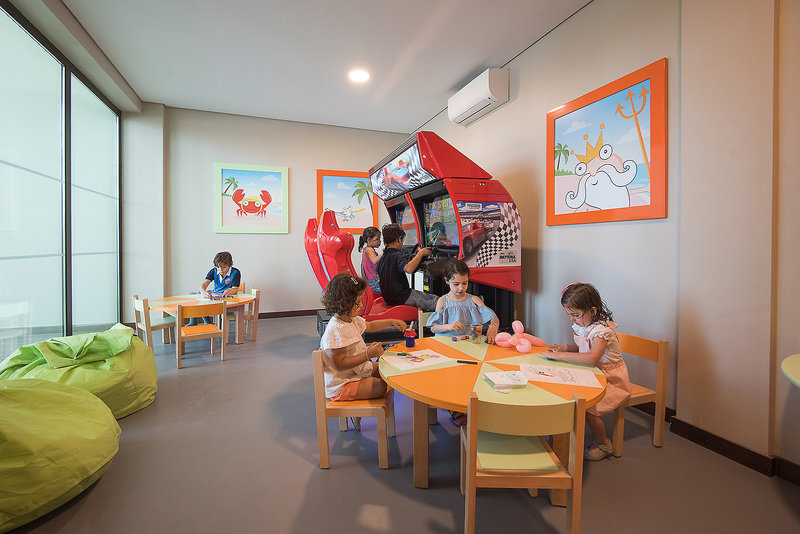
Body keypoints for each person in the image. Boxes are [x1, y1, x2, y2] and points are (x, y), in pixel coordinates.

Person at [546, 282, 631, 461]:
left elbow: (592, 357)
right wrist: (565, 349)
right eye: (569, 315)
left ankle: (604, 443)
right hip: (593, 373)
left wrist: (561, 356)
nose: (572, 320)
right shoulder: (584, 325)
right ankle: (563, 433)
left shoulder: (601, 331)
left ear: (592, 311)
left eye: (575, 315)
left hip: (611, 378)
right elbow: (584, 348)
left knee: (588, 408)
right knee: (563, 389)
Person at [319, 273, 406, 401]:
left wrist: (391, 321)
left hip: (356, 370)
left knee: (388, 369)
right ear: (344, 303)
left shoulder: (350, 319)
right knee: (382, 386)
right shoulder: (335, 330)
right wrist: (367, 354)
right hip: (341, 384)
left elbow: (370, 325)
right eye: (358, 302)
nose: (361, 306)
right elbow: (339, 364)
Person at [426, 259, 499, 343]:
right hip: (445, 344)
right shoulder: (442, 301)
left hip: (468, 345)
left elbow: (494, 319)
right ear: (447, 280)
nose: (461, 288)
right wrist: (449, 326)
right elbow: (433, 328)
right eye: (456, 284)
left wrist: (493, 327)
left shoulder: (474, 300)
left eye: (465, 283)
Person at [375, 223, 438, 311]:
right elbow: (409, 269)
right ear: (398, 239)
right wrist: (421, 253)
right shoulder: (397, 255)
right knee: (435, 301)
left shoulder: (383, 258)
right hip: (402, 296)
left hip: (389, 298)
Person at [189, 251, 241, 326]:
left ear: (230, 265)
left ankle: (207, 321)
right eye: (218, 267)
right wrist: (203, 292)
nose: (220, 269)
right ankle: (193, 321)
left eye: (223, 267)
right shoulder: (214, 271)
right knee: (192, 295)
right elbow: (204, 284)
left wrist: (230, 290)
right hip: (215, 293)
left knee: (205, 302)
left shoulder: (235, 272)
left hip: (225, 296)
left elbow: (235, 289)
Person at [358, 226, 382, 296]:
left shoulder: (367, 249)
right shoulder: (369, 250)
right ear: (369, 240)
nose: (380, 241)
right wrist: (386, 252)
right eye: (377, 239)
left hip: (372, 281)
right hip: (373, 283)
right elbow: (374, 260)